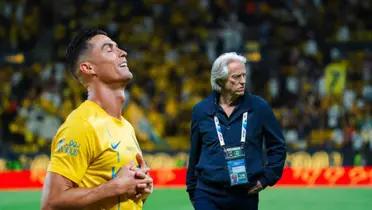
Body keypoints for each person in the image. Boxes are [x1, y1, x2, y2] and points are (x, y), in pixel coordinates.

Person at [41, 29, 153, 210]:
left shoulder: (126, 127)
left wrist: (139, 189)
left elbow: (116, 193)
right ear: (88, 68)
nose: (122, 52)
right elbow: (51, 203)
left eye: (118, 48)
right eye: (109, 49)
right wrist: (115, 187)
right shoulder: (81, 124)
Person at [186, 52, 286, 210]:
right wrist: (192, 189)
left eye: (244, 75)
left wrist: (267, 178)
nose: (243, 81)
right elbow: (195, 152)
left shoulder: (259, 108)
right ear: (220, 79)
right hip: (207, 193)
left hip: (245, 194)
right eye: (236, 77)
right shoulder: (201, 111)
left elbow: (278, 146)